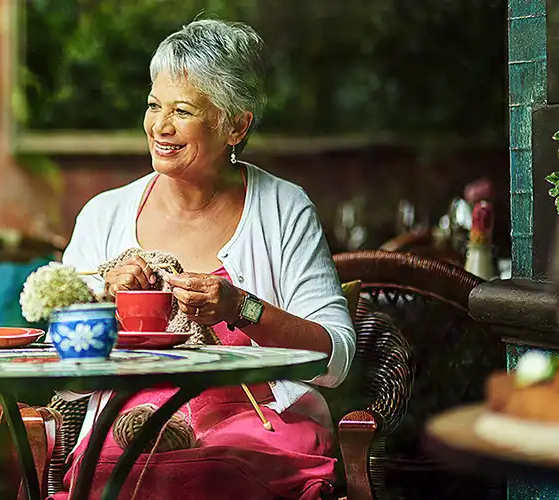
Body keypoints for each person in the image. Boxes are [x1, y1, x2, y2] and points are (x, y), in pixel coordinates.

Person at [59, 20, 355, 500]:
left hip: (257, 422)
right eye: (154, 105)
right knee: (126, 465)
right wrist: (101, 301)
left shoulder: (283, 208)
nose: (160, 126)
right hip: (128, 424)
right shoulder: (104, 214)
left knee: (209, 470)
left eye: (183, 110)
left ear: (236, 125)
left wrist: (242, 307)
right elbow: (62, 373)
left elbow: (335, 359)